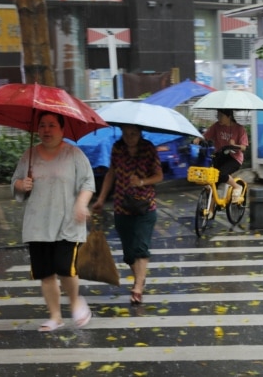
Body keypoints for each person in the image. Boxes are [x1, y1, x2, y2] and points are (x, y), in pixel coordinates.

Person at [12, 111, 96, 332]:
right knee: (45, 272)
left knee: (64, 267)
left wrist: (81, 203)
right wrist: (22, 185)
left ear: (62, 129)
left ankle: (76, 302)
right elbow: (15, 183)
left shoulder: (74, 155)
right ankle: (55, 316)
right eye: (42, 125)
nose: (46, 130)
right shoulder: (28, 156)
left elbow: (88, 183)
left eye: (51, 125)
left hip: (67, 222)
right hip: (38, 224)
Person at [91, 124, 163, 305]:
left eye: (133, 134)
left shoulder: (148, 148)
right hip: (122, 206)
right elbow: (111, 173)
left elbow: (159, 176)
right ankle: (140, 276)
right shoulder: (118, 148)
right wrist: (101, 199)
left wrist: (141, 182)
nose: (129, 137)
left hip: (145, 206)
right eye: (125, 133)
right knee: (129, 254)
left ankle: (138, 286)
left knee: (141, 247)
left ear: (140, 133)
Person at [194, 109, 249, 202]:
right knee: (212, 181)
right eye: (217, 116)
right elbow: (206, 136)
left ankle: (237, 187)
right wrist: (197, 139)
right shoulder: (217, 126)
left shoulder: (239, 129)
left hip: (234, 158)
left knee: (222, 174)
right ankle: (210, 211)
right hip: (220, 156)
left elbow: (243, 147)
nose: (218, 118)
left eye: (221, 116)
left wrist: (234, 145)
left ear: (229, 117)